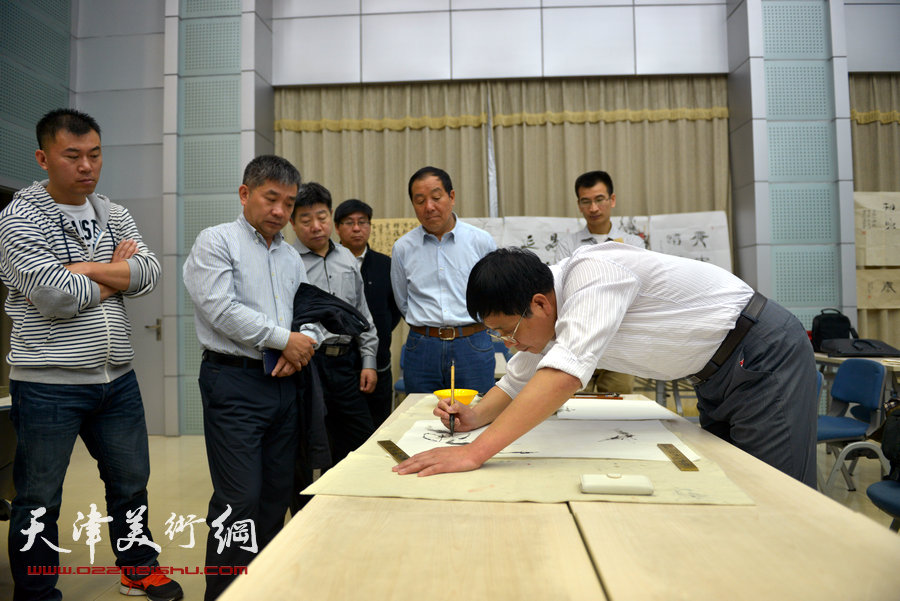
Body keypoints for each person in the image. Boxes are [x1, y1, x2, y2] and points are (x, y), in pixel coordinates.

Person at [395, 245, 818, 488]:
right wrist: (473, 417)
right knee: (731, 484)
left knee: (775, 492)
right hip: (715, 371)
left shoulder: (592, 276)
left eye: (507, 331)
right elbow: (520, 377)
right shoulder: (547, 314)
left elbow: (562, 377)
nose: (509, 344)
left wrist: (474, 454)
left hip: (762, 353)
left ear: (539, 304)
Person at [0, 109, 182, 601]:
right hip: (47, 383)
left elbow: (147, 275)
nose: (88, 166)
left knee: (131, 483)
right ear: (43, 158)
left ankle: (138, 568)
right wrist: (110, 270)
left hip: (116, 379)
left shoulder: (113, 211)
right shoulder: (20, 217)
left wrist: (80, 269)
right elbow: (54, 297)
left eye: (95, 154)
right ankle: (37, 594)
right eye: (73, 155)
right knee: (38, 499)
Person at [183, 155, 322, 601]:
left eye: (288, 202)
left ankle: (258, 587)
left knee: (275, 495)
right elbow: (219, 308)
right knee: (238, 499)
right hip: (234, 383)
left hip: (284, 383)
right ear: (245, 194)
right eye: (270, 198)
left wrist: (305, 344)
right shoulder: (216, 241)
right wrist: (284, 339)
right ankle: (222, 593)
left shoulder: (290, 256)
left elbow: (311, 316)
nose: (280, 211)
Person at [290, 183, 378, 464]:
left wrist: (368, 361)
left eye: (322, 217)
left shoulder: (347, 260)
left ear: (331, 217)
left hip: (347, 365)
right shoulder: (287, 262)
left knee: (361, 440)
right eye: (306, 220)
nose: (316, 226)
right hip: (308, 366)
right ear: (292, 223)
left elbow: (362, 314)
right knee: (314, 445)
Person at [390, 166, 497, 395]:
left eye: (436, 197)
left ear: (452, 197)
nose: (429, 207)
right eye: (420, 201)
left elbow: (493, 295)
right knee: (419, 419)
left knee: (478, 416)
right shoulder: (403, 248)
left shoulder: (481, 241)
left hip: (472, 343)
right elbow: (403, 301)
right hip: (422, 346)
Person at [554, 170, 645, 394]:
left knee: (618, 407)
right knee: (574, 407)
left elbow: (637, 289)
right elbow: (563, 291)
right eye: (586, 202)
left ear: (612, 200)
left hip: (620, 341)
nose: (593, 208)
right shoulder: (568, 245)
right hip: (579, 341)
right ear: (579, 204)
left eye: (599, 200)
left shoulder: (633, 243)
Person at [334, 198, 402, 426]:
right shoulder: (327, 264)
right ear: (337, 228)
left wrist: (378, 332)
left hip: (378, 362)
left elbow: (394, 309)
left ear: (370, 226)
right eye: (349, 222)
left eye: (362, 222)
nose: (356, 228)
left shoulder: (385, 265)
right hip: (337, 364)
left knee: (378, 427)